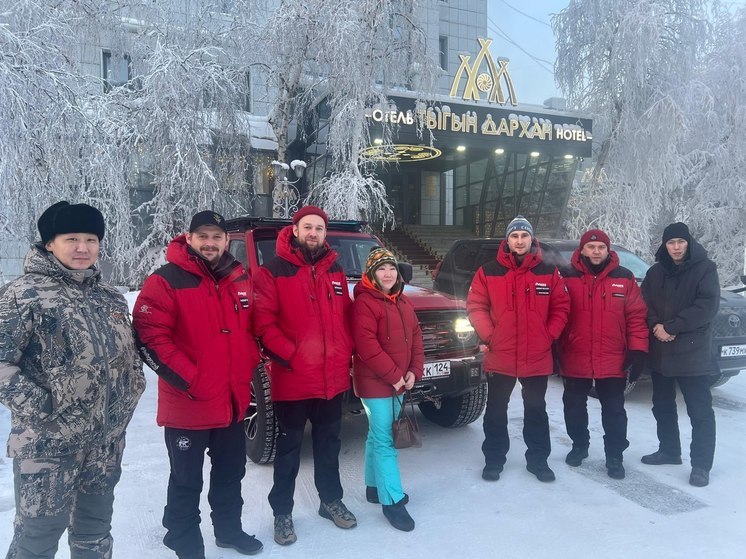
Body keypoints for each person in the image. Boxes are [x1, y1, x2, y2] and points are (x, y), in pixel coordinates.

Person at [0, 201, 146, 559]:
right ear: (50, 243)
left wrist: (133, 387)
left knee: (95, 534)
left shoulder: (109, 296)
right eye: (72, 239)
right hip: (48, 446)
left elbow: (127, 354)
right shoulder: (23, 294)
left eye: (91, 239)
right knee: (37, 538)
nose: (83, 248)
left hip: (104, 444)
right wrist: (43, 409)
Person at [132, 211, 263, 558]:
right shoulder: (165, 280)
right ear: (188, 238)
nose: (210, 243)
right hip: (188, 403)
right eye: (202, 236)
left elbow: (248, 330)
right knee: (186, 479)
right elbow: (150, 338)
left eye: (216, 236)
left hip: (232, 402)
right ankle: (182, 536)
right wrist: (192, 380)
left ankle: (228, 530)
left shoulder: (237, 278)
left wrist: (250, 361)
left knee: (230, 473)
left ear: (226, 241)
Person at [253, 205, 356, 546]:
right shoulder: (273, 271)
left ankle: (330, 500)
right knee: (289, 450)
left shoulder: (336, 270)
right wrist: (292, 356)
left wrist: (347, 353)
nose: (313, 233)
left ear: (326, 234)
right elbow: (263, 323)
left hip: (332, 379)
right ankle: (282, 512)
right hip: (294, 380)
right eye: (307, 227)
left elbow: (345, 318)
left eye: (319, 228)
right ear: (295, 230)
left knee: (329, 445)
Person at [466, 215, 570, 483]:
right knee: (496, 410)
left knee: (536, 409)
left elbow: (561, 306)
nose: (520, 241)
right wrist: (490, 335)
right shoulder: (488, 271)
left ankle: (538, 460)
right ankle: (494, 459)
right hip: (501, 354)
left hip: (536, 354)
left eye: (524, 236)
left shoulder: (548, 272)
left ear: (531, 240)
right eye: (515, 236)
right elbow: (475, 305)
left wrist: (549, 335)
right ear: (508, 241)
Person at [556, 229, 648, 479]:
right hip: (575, 354)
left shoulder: (624, 278)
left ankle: (615, 456)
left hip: (612, 357)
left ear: (608, 250)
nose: (596, 251)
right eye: (591, 247)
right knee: (573, 406)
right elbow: (556, 312)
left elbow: (636, 317)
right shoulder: (566, 276)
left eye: (601, 247)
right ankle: (579, 445)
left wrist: (638, 350)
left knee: (615, 410)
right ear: (582, 249)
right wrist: (554, 345)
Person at [640, 222, 719, 487]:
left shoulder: (705, 269)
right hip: (661, 352)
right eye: (671, 242)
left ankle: (701, 465)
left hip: (692, 352)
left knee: (700, 411)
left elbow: (706, 307)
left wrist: (671, 327)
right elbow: (645, 304)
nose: (675, 247)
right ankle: (670, 451)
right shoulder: (654, 273)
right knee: (662, 405)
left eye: (680, 242)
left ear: (689, 243)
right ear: (664, 245)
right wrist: (656, 326)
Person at [351, 248, 424, 532]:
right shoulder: (365, 304)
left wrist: (413, 371)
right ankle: (392, 500)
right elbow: (366, 345)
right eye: (381, 269)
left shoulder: (403, 301)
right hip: (376, 383)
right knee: (386, 440)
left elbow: (416, 337)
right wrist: (394, 376)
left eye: (391, 268)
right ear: (371, 273)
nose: (388, 274)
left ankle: (373, 486)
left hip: (399, 382)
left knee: (377, 434)